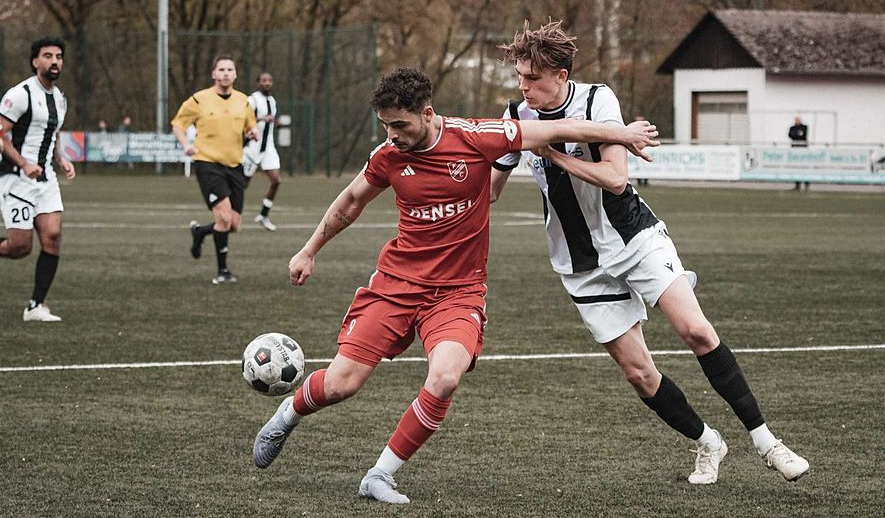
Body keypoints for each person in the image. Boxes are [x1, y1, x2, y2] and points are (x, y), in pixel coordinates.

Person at [250, 67, 659, 504]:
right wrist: (309, 250)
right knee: (340, 385)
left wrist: (622, 133)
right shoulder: (388, 155)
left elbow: (560, 129)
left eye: (399, 124)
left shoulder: (477, 137)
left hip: (458, 293)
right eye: (385, 125)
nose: (392, 134)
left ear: (427, 113)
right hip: (396, 285)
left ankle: (380, 476)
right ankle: (288, 414)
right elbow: (350, 202)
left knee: (445, 377)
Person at [490, 21, 809, 485]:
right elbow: (491, 189)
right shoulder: (516, 115)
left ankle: (768, 443)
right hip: (580, 263)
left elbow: (615, 178)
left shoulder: (598, 100)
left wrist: (549, 152)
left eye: (532, 78)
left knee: (696, 331)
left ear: (560, 75)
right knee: (639, 374)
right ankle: (708, 443)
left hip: (634, 237)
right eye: (519, 77)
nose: (523, 86)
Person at [0, 36, 76, 322]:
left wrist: (61, 158)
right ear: (35, 62)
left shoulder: (60, 98)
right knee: (19, 247)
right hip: (16, 178)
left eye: (58, 57)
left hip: (45, 179)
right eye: (48, 56)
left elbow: (52, 133)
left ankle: (35, 306)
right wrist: (23, 162)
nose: (54, 61)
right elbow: (1, 134)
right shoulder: (20, 94)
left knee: (53, 237)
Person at [171, 55, 257, 284]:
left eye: (230, 69)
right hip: (207, 163)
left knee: (234, 224)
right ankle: (223, 271)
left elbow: (251, 125)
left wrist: (253, 132)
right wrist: (186, 144)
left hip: (235, 165)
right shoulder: (199, 99)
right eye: (221, 69)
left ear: (235, 74)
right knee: (224, 217)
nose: (226, 73)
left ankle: (200, 232)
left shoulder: (243, 101)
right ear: (214, 74)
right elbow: (178, 124)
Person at [242, 72, 282, 231]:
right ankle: (230, 211)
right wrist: (261, 119)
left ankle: (263, 215)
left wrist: (275, 123)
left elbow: (269, 122)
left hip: (268, 148)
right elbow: (243, 119)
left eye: (269, 80)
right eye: (264, 80)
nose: (267, 83)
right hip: (252, 148)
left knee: (276, 181)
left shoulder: (272, 101)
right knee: (242, 184)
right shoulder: (252, 100)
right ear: (258, 83)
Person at [788, 116, 809, 190]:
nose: (797, 121)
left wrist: (796, 135)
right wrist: (797, 134)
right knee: (796, 167)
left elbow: (803, 135)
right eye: (796, 120)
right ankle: (797, 184)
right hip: (795, 149)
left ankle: (806, 183)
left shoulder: (804, 127)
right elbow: (790, 135)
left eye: (798, 120)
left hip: (803, 149)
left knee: (804, 167)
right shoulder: (792, 128)